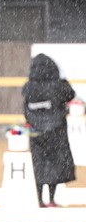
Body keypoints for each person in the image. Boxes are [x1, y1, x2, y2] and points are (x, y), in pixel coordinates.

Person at [23, 53, 77, 207]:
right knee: (54, 164)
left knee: (39, 164)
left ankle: (40, 200)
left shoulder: (29, 87)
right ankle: (51, 199)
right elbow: (70, 95)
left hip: (36, 132)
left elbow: (26, 108)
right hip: (56, 130)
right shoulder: (57, 85)